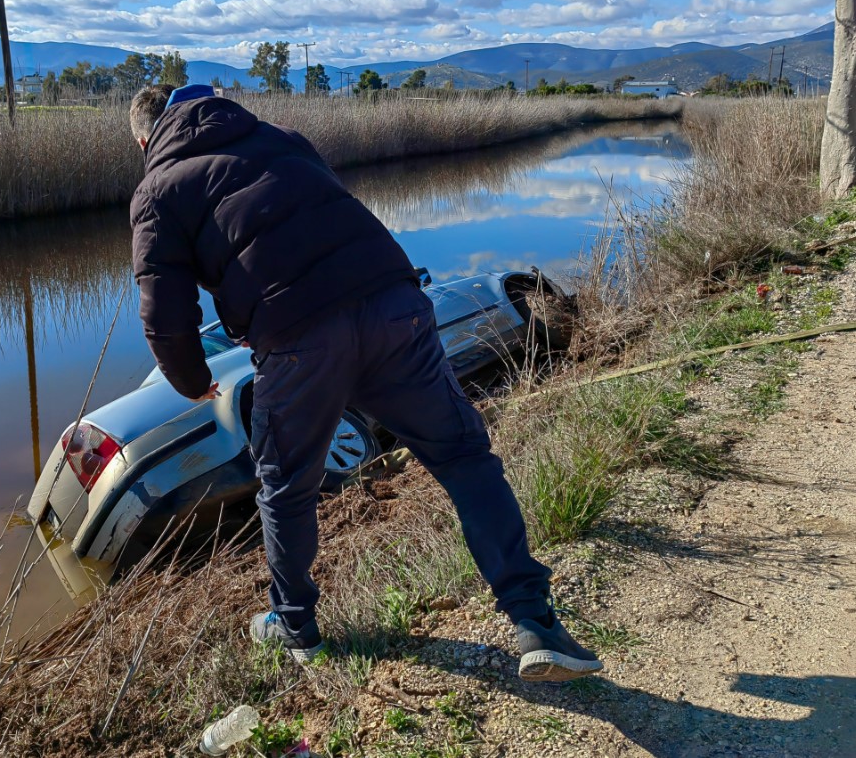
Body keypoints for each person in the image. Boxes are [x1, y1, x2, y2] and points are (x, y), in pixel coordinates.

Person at [128, 83, 603, 682]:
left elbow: (164, 315)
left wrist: (193, 380)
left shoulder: (156, 190)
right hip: (394, 305)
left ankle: (295, 626)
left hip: (296, 338)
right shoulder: (281, 138)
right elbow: (324, 220)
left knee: (287, 486)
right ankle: (536, 622)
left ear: (144, 140)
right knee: (463, 457)